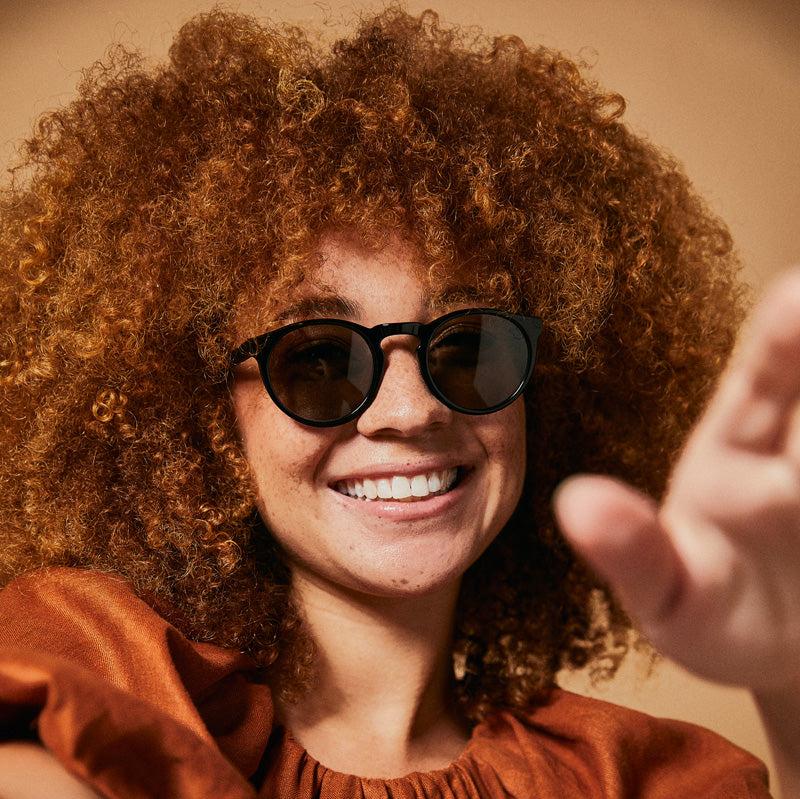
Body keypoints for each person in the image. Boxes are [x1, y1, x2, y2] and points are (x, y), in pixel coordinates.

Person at [0, 7, 796, 797]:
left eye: (469, 344)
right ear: (200, 418)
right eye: (317, 357)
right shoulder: (105, 670)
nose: (410, 410)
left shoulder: (639, 776)